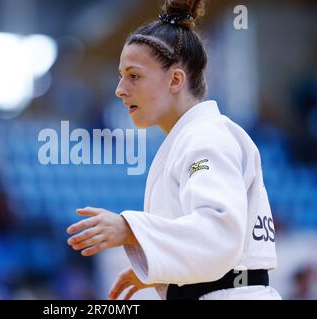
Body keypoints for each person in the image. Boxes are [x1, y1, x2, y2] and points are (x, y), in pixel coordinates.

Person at [66, 0, 281, 300]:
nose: (120, 89)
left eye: (134, 75)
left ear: (176, 79)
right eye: (121, 75)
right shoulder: (194, 137)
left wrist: (129, 228)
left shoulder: (206, 137)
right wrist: (165, 270)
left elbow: (217, 234)